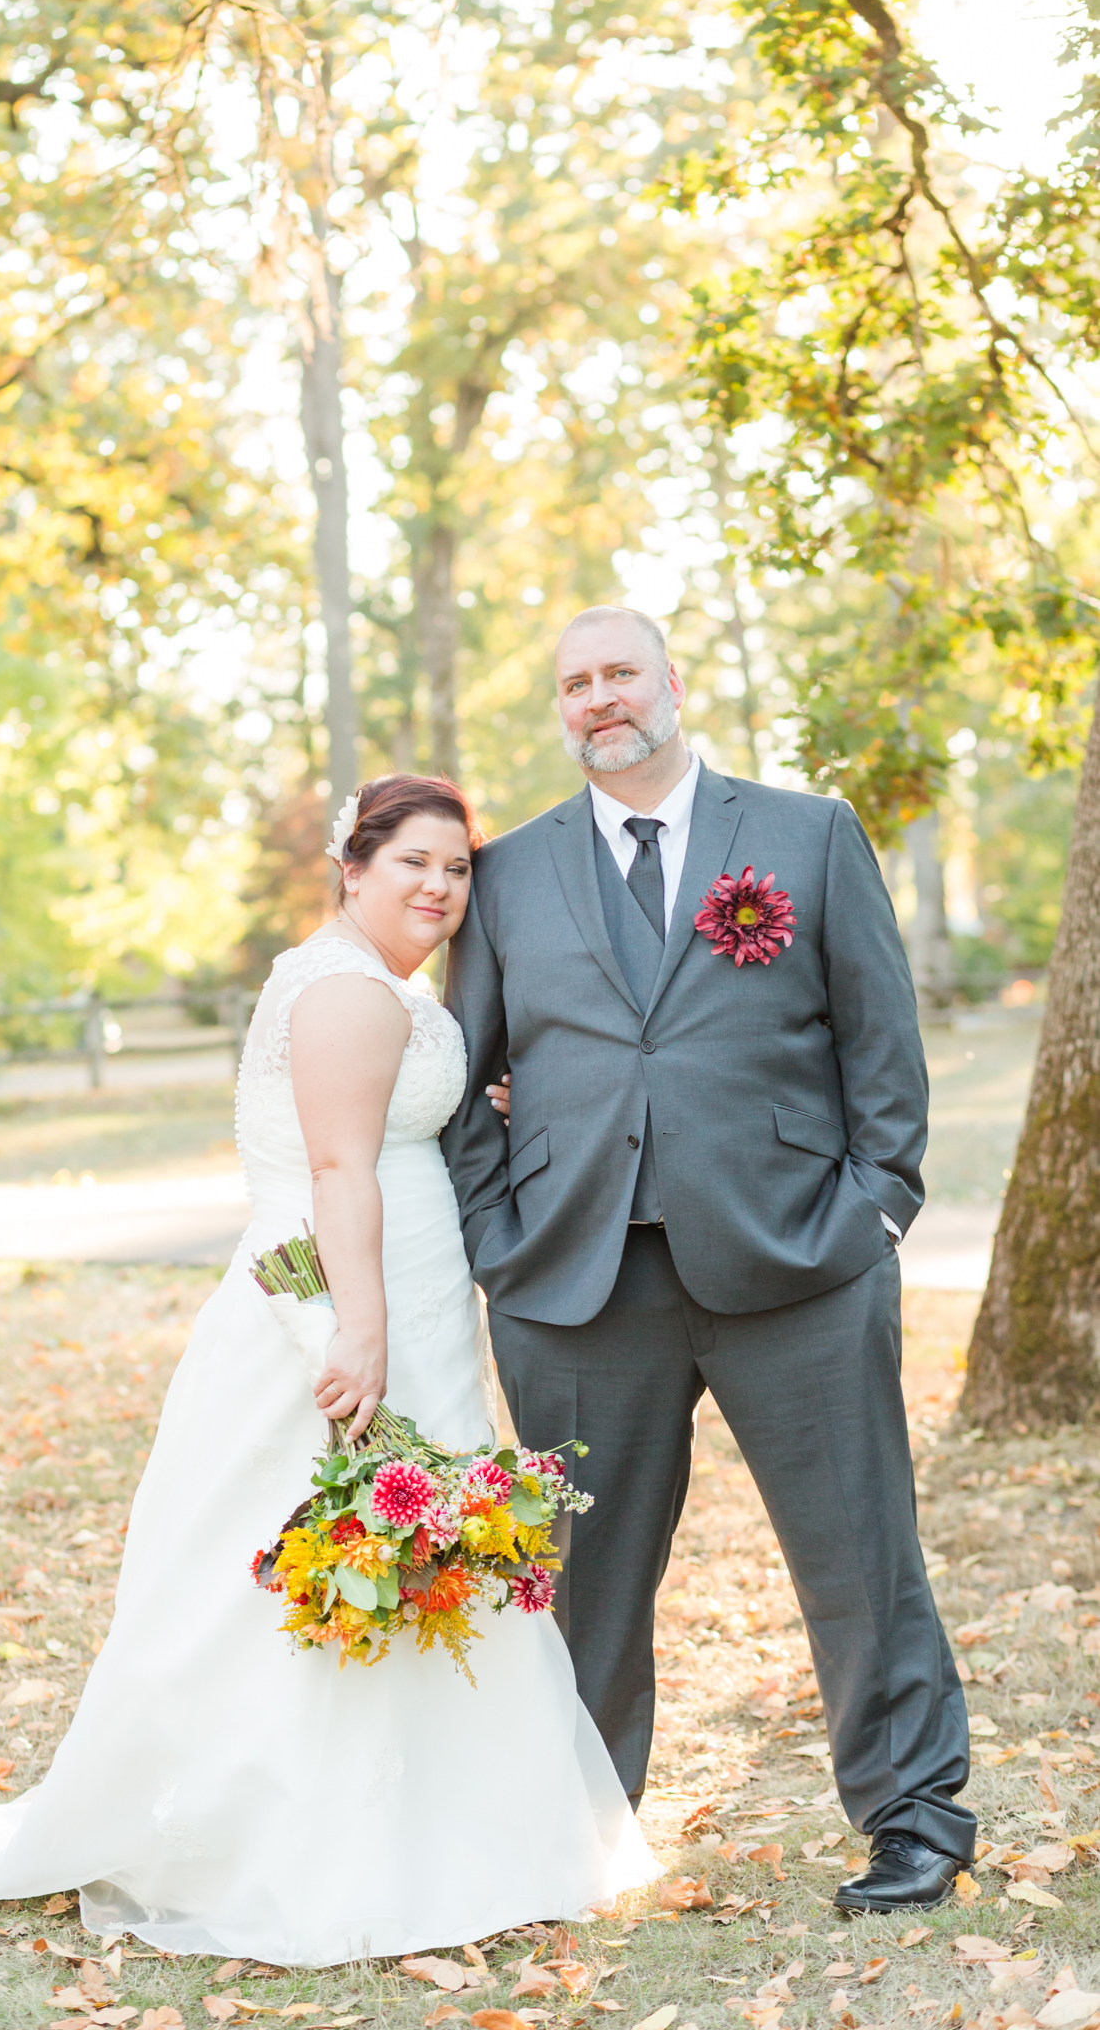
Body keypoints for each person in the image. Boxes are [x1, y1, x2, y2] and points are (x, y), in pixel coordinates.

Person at [0, 772, 658, 1964]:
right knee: (313, 1546)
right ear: (351, 868)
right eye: (412, 861)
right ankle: (309, 1838)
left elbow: (397, 1133)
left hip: (399, 1284)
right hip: (343, 1297)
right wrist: (361, 1333)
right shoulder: (351, 992)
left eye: (457, 868)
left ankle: (441, 1825)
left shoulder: (369, 983)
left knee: (414, 1545)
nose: (439, 886)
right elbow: (339, 1170)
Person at [440, 607, 975, 1914]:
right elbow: (461, 1080)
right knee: (588, 1585)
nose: (597, 699)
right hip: (577, 1289)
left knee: (861, 1557)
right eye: (573, 684)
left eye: (619, 672)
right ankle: (575, 1835)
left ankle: (913, 1824)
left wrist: (874, 1217)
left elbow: (880, 1052)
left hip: (798, 1269)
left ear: (671, 684)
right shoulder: (505, 875)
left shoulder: (806, 837)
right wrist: (501, 1247)